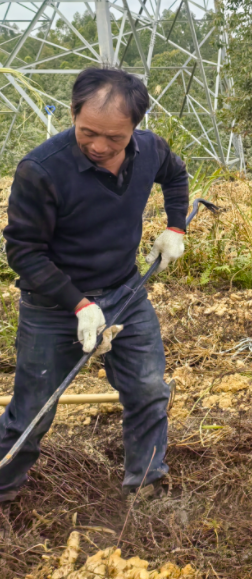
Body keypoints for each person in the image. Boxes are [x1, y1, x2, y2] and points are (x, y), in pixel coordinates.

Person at [0, 67, 189, 502]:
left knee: (148, 390)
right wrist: (79, 304)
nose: (99, 146)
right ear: (73, 113)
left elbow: (176, 176)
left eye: (114, 138)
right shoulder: (41, 170)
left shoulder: (150, 149)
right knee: (33, 411)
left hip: (125, 292)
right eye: (88, 133)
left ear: (134, 128)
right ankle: (3, 487)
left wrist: (175, 227)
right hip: (53, 305)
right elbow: (24, 252)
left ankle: (145, 484)